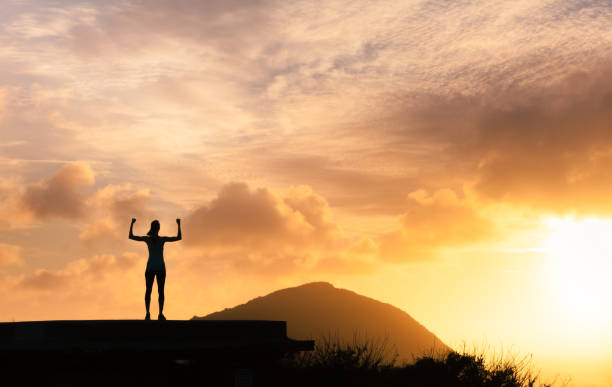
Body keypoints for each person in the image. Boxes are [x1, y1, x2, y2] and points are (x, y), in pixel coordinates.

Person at [129, 218, 181, 321]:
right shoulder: (161, 239)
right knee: (160, 291)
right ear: (158, 229)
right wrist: (179, 224)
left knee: (149, 290)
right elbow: (179, 237)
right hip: (160, 268)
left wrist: (132, 224)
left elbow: (131, 236)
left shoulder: (149, 239)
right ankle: (160, 314)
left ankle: (148, 313)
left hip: (151, 268)